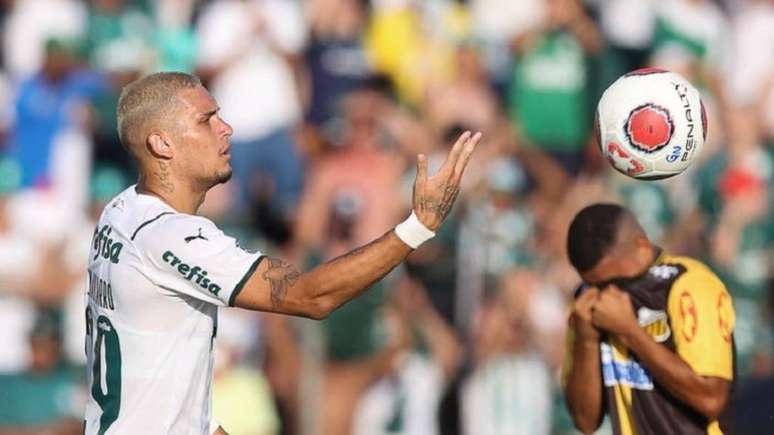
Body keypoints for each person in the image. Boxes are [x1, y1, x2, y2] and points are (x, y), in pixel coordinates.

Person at [82, 71, 481, 435]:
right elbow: (310, 296)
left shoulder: (121, 211)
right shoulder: (170, 237)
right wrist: (418, 226)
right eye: (205, 120)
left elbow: (179, 412)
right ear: (161, 143)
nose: (227, 129)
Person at [563, 203, 736, 435]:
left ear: (642, 247)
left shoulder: (690, 285)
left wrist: (631, 332)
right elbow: (585, 422)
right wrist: (586, 341)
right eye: (595, 284)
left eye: (616, 282)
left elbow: (711, 399)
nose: (607, 293)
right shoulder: (588, 301)